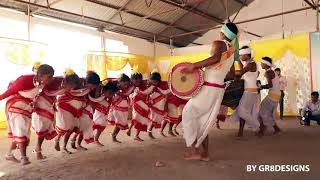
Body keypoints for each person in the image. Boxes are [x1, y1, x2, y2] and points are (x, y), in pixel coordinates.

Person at [180, 22, 239, 161]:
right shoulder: (231, 51)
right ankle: (205, 154)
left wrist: (193, 67)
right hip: (218, 89)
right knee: (202, 121)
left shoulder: (219, 43)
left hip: (209, 87)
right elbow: (231, 75)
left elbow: (215, 58)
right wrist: (215, 72)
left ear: (223, 32)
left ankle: (194, 150)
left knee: (188, 112)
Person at [1, 64, 54, 165]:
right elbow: (6, 94)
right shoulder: (24, 80)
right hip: (15, 104)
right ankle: (23, 158)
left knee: (23, 131)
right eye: (49, 76)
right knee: (21, 129)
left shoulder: (43, 83)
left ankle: (9, 154)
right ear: (41, 75)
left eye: (52, 76)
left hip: (26, 107)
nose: (51, 79)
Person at [54, 69, 89, 154]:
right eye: (70, 84)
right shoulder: (61, 88)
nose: (72, 86)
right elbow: (57, 98)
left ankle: (64, 147)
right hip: (64, 109)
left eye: (74, 84)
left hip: (75, 111)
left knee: (71, 128)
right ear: (65, 82)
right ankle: (57, 140)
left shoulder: (79, 88)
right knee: (65, 127)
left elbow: (82, 97)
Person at [230, 46, 260, 137]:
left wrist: (230, 73)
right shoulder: (249, 63)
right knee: (243, 111)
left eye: (241, 56)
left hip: (250, 92)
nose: (240, 57)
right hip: (250, 91)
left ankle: (256, 125)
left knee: (242, 112)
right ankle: (242, 132)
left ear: (246, 55)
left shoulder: (251, 64)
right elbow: (243, 68)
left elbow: (240, 73)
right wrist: (237, 60)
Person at [70, 71, 100, 150]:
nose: (93, 87)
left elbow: (94, 99)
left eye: (95, 86)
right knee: (79, 127)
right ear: (87, 82)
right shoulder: (79, 84)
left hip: (88, 110)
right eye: (93, 85)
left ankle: (78, 144)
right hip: (79, 109)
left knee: (85, 127)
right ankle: (72, 140)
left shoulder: (92, 89)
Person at [127, 66, 155, 141]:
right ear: (132, 79)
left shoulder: (145, 83)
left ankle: (134, 133)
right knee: (137, 118)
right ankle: (132, 132)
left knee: (139, 119)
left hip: (144, 103)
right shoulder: (130, 85)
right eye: (136, 80)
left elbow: (147, 92)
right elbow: (144, 92)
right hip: (137, 103)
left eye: (139, 80)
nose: (137, 82)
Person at [257, 57, 281, 136]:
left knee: (261, 112)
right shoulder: (271, 71)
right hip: (276, 95)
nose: (261, 64)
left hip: (273, 95)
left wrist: (261, 87)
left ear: (266, 64)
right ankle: (274, 128)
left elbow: (270, 85)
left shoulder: (268, 72)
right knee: (265, 113)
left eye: (262, 63)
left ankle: (263, 129)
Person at [108, 74, 134, 143]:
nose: (126, 85)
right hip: (116, 106)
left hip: (124, 106)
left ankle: (114, 135)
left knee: (121, 123)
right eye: (124, 84)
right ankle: (113, 136)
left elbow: (126, 94)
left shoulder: (130, 87)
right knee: (119, 122)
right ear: (120, 81)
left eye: (127, 84)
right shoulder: (114, 85)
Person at [92, 80, 119, 146]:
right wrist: (101, 85)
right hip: (98, 115)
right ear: (104, 91)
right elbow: (96, 95)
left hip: (104, 116)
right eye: (109, 93)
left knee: (101, 127)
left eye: (112, 94)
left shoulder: (110, 98)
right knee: (92, 127)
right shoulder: (100, 97)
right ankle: (78, 138)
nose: (111, 95)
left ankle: (96, 139)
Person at [148, 70, 170, 139]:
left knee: (157, 119)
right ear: (150, 80)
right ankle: (149, 132)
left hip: (160, 104)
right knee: (154, 119)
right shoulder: (148, 85)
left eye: (156, 81)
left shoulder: (164, 85)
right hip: (154, 104)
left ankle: (152, 131)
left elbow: (166, 92)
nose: (154, 83)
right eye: (153, 81)